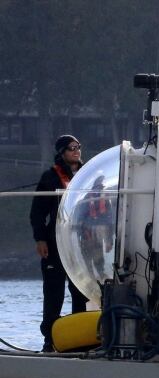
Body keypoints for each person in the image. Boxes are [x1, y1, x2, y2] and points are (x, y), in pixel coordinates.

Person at [29, 134, 88, 352]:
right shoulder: (50, 177)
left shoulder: (86, 175)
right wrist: (40, 239)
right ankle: (50, 341)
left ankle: (81, 340)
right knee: (53, 293)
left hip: (79, 245)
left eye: (78, 146)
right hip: (54, 246)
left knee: (80, 292)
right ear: (62, 152)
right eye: (72, 148)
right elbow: (37, 213)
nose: (76, 151)